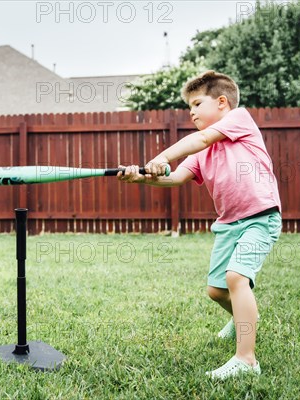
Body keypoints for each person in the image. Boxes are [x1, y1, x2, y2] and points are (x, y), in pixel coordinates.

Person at [117, 70, 282, 380]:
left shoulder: (240, 120)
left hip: (260, 216)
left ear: (222, 102)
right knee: (216, 290)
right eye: (188, 107)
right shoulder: (203, 151)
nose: (190, 112)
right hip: (228, 223)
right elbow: (175, 178)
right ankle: (243, 319)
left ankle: (247, 360)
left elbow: (202, 137)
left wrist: (161, 156)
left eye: (196, 104)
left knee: (236, 278)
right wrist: (140, 176)